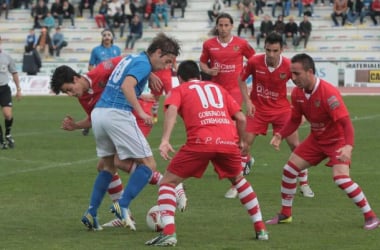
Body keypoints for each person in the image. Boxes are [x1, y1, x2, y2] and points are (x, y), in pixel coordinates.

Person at [50, 55, 187, 229]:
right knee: (107, 165)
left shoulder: (101, 70)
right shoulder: (83, 96)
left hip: (135, 116)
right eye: (66, 92)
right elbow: (95, 117)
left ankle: (169, 186)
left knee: (133, 163)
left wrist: (149, 71)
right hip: (117, 120)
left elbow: (128, 60)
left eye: (70, 89)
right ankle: (126, 211)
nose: (71, 94)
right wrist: (76, 125)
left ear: (76, 78)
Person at [145, 60, 269, 247]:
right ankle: (261, 228)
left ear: (179, 78)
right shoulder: (218, 88)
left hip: (201, 142)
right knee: (239, 180)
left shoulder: (181, 89)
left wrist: (165, 140)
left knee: (167, 183)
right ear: (200, 75)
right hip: (228, 141)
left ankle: (169, 232)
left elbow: (171, 109)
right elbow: (242, 118)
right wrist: (242, 142)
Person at [266, 53, 380, 230]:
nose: (292, 78)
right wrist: (280, 135)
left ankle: (371, 216)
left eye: (297, 74)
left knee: (341, 179)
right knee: (289, 170)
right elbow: (295, 120)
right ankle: (285, 214)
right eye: (291, 74)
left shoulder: (328, 93)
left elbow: (346, 124)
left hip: (337, 140)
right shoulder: (297, 93)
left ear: (309, 72)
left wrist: (348, 147)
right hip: (316, 139)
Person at [80, 32, 181, 231]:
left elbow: (126, 73)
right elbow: (127, 86)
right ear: (158, 52)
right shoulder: (143, 64)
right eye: (167, 61)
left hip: (99, 113)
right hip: (117, 113)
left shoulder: (133, 57)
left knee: (107, 167)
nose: (167, 66)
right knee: (149, 164)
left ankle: (91, 212)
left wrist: (150, 73)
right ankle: (122, 204)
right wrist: (141, 110)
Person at [239, 31, 314, 198]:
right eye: (268, 50)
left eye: (275, 51)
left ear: (282, 50)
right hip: (257, 109)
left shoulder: (289, 66)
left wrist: (302, 111)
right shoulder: (254, 62)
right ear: (264, 48)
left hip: (281, 110)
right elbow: (241, 79)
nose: (271, 54)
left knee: (296, 146)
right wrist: (248, 102)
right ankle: (238, 184)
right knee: (245, 146)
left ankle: (304, 183)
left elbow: (301, 85)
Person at [199, 12, 256, 199]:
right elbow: (202, 63)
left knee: (231, 127)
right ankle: (245, 158)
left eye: (226, 25)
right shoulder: (209, 44)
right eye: (220, 25)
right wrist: (208, 69)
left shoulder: (241, 43)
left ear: (232, 26)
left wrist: (249, 77)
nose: (223, 28)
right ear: (217, 26)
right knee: (221, 128)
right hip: (217, 91)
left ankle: (238, 169)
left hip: (235, 90)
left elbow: (254, 61)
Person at [84, 28, 121, 136]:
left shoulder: (117, 49)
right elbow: (91, 66)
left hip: (113, 81)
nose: (106, 37)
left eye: (109, 35)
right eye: (104, 35)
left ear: (112, 37)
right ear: (102, 37)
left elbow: (119, 64)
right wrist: (96, 78)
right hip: (100, 82)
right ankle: (87, 124)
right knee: (96, 104)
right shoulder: (96, 50)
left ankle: (112, 126)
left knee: (114, 103)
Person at [0, 36, 22, 149]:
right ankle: (0, 140)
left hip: (4, 89)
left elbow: (14, 72)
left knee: (7, 114)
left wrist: (18, 89)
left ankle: (8, 134)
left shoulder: (7, 57)